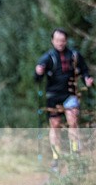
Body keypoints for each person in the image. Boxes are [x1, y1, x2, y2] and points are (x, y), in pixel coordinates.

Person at [35, 28, 93, 171]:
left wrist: (87, 79)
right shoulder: (47, 58)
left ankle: (75, 154)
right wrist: (38, 72)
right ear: (52, 41)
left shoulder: (74, 55)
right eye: (57, 40)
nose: (60, 43)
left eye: (62, 40)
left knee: (73, 122)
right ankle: (56, 158)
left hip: (70, 95)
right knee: (55, 126)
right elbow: (37, 78)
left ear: (66, 41)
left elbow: (84, 70)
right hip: (53, 98)